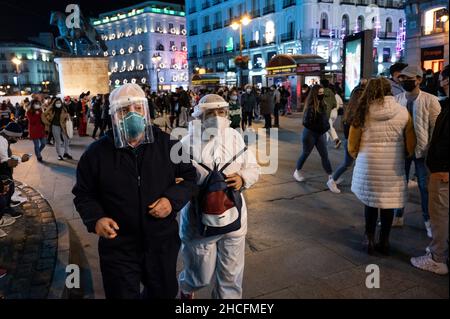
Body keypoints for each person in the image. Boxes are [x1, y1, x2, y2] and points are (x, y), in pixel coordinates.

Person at [72, 83, 198, 299]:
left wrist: (171, 200)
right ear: (113, 116)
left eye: (137, 109)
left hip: (161, 243)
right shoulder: (95, 154)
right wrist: (96, 219)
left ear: (146, 112)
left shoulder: (169, 145)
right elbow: (84, 193)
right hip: (119, 247)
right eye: (123, 110)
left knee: (163, 293)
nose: (131, 115)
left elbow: (190, 178)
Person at [178, 94, 260, 299]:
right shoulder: (186, 143)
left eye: (221, 112)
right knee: (200, 276)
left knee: (231, 278)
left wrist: (243, 178)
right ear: (200, 116)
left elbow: (252, 167)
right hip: (199, 221)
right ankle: (187, 288)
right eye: (210, 113)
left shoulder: (235, 137)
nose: (217, 117)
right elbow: (177, 178)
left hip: (234, 218)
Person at [348, 78, 416, 255]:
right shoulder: (402, 112)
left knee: (370, 202)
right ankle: (384, 241)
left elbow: (352, 145)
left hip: (368, 164)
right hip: (393, 166)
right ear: (390, 90)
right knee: (388, 203)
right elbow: (410, 145)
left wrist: (359, 156)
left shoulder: (363, 111)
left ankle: (369, 238)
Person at [393, 66, 441, 236]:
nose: (405, 81)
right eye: (402, 78)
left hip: (423, 150)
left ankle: (428, 220)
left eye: (409, 78)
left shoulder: (431, 100)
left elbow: (436, 128)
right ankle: (398, 215)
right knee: (399, 185)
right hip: (402, 150)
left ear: (419, 79)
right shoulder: (397, 99)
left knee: (424, 187)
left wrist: (431, 150)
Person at [410, 65, 449, 275]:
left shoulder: (442, 104)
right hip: (441, 168)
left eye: (442, 78)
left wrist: (443, 167)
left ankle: (437, 258)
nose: (439, 81)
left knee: (440, 215)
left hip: (443, 172)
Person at [327, 82, 367, 194]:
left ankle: (336, 179)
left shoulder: (350, 111)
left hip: (352, 141)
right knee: (347, 164)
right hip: (352, 142)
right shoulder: (356, 114)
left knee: (352, 164)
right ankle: (332, 180)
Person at [293, 85, 334, 188]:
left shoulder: (323, 104)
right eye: (319, 93)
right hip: (310, 134)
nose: (322, 94)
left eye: (322, 92)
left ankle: (331, 177)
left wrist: (326, 126)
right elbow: (306, 122)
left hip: (320, 134)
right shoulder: (311, 106)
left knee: (324, 155)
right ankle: (297, 171)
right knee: (306, 153)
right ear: (315, 94)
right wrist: (320, 128)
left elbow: (325, 119)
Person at [0, 122, 31, 221]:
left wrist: (20, 159)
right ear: (11, 135)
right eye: (16, 138)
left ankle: (6, 207)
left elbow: (8, 157)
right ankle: (4, 209)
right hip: (2, 171)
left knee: (10, 189)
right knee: (5, 191)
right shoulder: (1, 141)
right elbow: (5, 161)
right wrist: (20, 160)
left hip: (4, 170)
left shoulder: (4, 139)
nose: (17, 140)